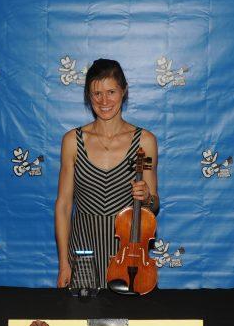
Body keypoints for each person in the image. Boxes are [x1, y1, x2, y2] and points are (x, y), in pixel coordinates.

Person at [55, 59, 159, 288]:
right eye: (97, 94)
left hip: (129, 257)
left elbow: (153, 205)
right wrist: (64, 263)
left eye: (111, 92)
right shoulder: (72, 141)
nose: (104, 101)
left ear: (124, 91)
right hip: (83, 255)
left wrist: (147, 197)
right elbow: (63, 205)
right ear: (88, 96)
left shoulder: (145, 142)